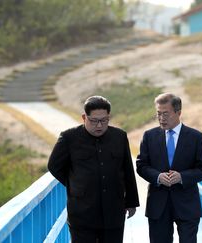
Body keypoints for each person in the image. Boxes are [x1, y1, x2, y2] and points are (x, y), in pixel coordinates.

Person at [48, 95, 139, 243]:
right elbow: (54, 166)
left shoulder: (119, 137)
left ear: (109, 117)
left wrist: (131, 202)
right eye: (94, 121)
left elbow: (127, 170)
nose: (99, 126)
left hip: (113, 211)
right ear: (84, 117)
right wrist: (76, 183)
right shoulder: (69, 138)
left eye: (104, 121)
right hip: (82, 212)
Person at [136, 93, 202, 243]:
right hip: (158, 205)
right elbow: (141, 165)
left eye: (166, 114)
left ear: (178, 112)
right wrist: (157, 177)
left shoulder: (195, 137)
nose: (161, 118)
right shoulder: (149, 136)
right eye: (158, 114)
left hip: (187, 204)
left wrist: (182, 177)